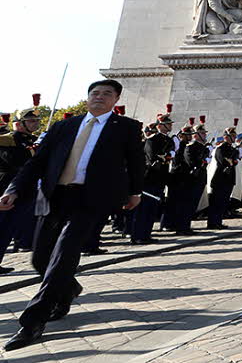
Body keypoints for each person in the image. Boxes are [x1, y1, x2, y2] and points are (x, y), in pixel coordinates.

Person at [0, 79, 143, 351]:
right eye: (95, 93)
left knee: (64, 254)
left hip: (91, 199)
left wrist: (135, 191)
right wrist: (15, 188)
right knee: (41, 258)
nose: (99, 97)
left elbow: (136, 161)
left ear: (116, 100)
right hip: (56, 196)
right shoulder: (64, 126)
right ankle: (67, 290)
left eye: (106, 94)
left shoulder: (125, 128)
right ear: (88, 97)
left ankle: (33, 322)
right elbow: (38, 162)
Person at [0, 109, 40, 272]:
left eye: (36, 120)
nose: (35, 123)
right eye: (31, 121)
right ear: (18, 124)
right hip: (6, 188)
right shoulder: (7, 140)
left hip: (25, 190)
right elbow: (11, 162)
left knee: (8, 229)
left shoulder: (32, 140)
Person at [132, 111, 174, 244]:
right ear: (160, 126)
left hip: (160, 177)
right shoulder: (152, 140)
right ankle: (138, 235)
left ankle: (146, 234)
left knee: (152, 209)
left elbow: (168, 155)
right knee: (144, 209)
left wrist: (167, 156)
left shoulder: (168, 140)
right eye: (167, 124)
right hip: (150, 177)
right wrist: (164, 157)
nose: (170, 126)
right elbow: (152, 158)